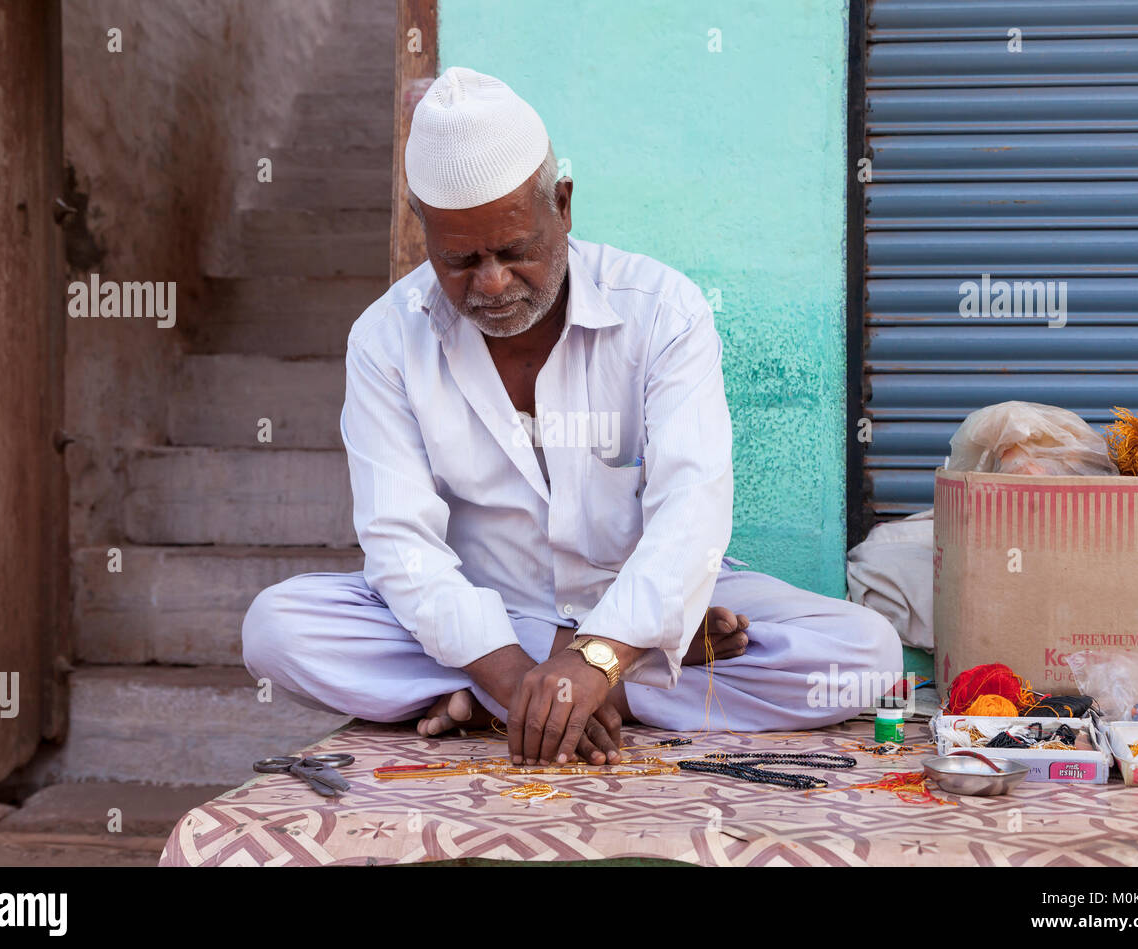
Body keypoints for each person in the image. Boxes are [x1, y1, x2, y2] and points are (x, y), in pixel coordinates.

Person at [242, 67, 900, 769]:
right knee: (278, 629)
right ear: (423, 231)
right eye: (460, 261)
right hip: (489, 612)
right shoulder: (385, 339)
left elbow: (692, 511)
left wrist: (600, 651)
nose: (491, 284)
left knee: (865, 653)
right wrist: (517, 668)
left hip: (635, 592)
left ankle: (529, 694)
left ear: (563, 204)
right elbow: (400, 544)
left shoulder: (662, 310)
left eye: (514, 251)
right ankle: (580, 689)